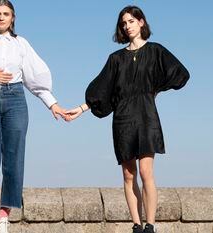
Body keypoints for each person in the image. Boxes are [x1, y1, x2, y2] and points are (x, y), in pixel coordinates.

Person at [65, 5, 189, 233]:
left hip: (147, 115)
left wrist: (156, 89)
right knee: (128, 173)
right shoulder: (116, 59)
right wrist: (81, 108)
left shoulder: (156, 51)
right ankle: (136, 225)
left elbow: (180, 73)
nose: (127, 26)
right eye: (124, 23)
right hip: (123, 119)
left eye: (131, 21)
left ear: (141, 22)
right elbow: (103, 90)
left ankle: (150, 225)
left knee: (146, 171)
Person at [0, 1, 66, 233]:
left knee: (13, 154)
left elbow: (35, 79)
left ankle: (4, 216)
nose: (1, 17)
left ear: (13, 17)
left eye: (6, 14)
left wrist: (52, 104)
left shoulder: (21, 44)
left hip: (15, 98)